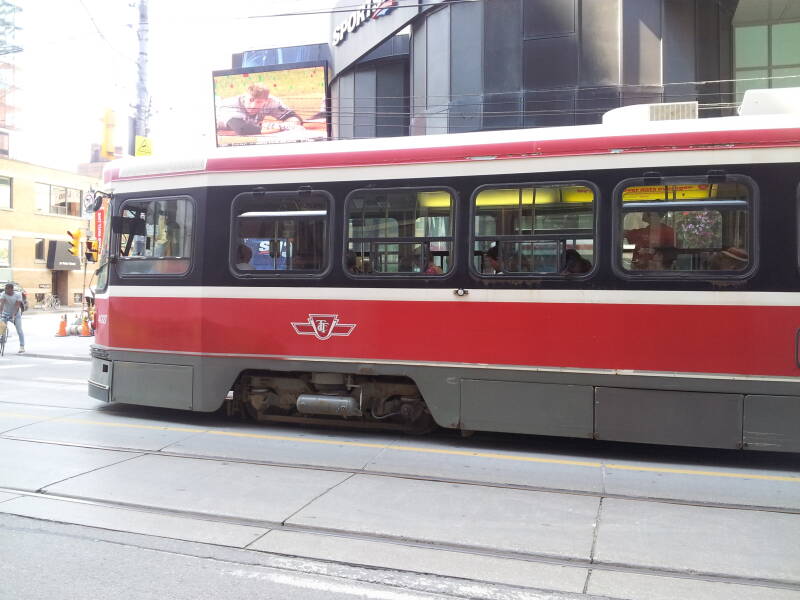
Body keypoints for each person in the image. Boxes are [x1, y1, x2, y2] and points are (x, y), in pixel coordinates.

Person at [216, 83, 303, 135]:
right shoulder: (229, 105)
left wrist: (290, 123)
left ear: (266, 101)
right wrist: (279, 127)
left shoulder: (271, 102)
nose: (253, 105)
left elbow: (292, 116)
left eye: (259, 102)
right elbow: (242, 129)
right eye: (250, 100)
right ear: (245, 96)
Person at [0, 283, 24, 353]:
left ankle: (22, 346)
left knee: (19, 330)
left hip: (16, 314)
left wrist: (13, 315)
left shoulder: (18, 295)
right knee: (0, 329)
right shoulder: (3, 294)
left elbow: (17, 306)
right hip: (5, 313)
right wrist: (0, 313)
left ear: (12, 289)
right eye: (5, 289)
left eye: (7, 289)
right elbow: (1, 304)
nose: (6, 291)